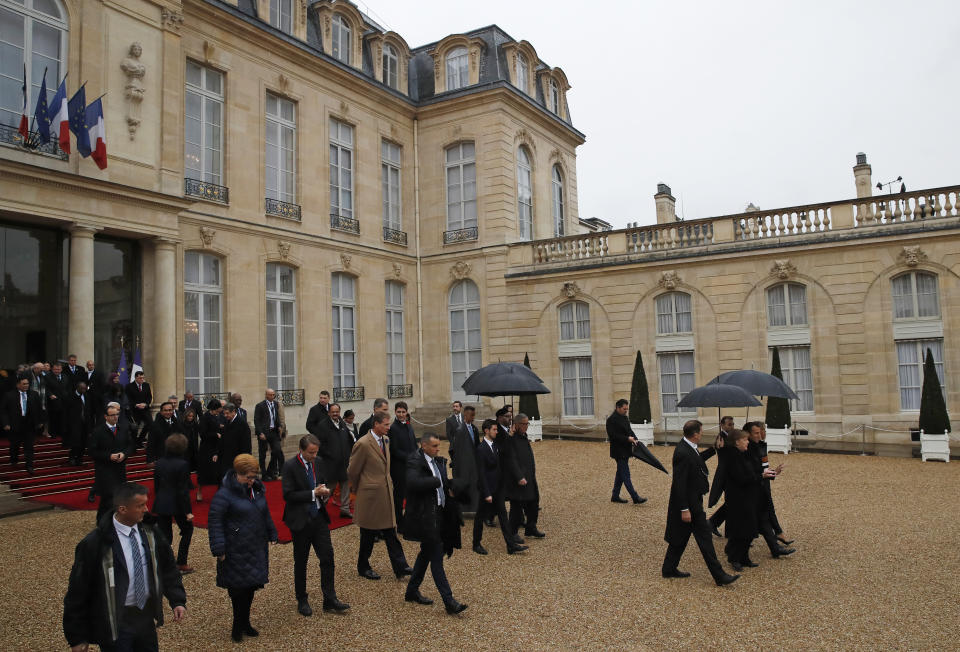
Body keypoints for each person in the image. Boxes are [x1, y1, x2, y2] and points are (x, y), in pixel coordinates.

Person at [63, 482, 187, 652]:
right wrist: (77, 637)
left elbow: (167, 567)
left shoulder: (151, 532)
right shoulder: (96, 543)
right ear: (122, 509)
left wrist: (177, 599)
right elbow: (78, 590)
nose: (146, 509)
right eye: (140, 505)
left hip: (145, 617)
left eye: (146, 503)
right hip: (115, 622)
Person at [661, 419, 740, 586]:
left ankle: (668, 568)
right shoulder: (682, 452)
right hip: (689, 504)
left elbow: (697, 460)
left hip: (692, 501)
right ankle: (719, 576)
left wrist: (714, 449)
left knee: (680, 537)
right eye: (701, 432)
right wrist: (684, 509)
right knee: (705, 539)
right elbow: (679, 483)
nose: (702, 434)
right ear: (696, 434)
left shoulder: (689, 447)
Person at [208, 454, 278, 643]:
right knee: (237, 590)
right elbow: (215, 521)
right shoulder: (224, 494)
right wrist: (218, 547)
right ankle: (237, 626)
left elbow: (265, 513)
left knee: (250, 587)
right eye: (248, 477)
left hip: (255, 546)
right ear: (237, 474)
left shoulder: (256, 489)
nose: (252, 480)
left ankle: (245, 623)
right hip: (235, 548)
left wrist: (272, 532)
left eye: (254, 476)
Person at [281, 435, 350, 617]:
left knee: (328, 557)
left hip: (319, 517)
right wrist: (313, 493)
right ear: (301, 450)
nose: (313, 456)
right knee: (301, 561)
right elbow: (288, 495)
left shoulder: (318, 462)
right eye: (310, 453)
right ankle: (302, 599)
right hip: (300, 520)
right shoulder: (290, 466)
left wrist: (324, 492)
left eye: (315, 452)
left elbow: (322, 481)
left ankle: (330, 598)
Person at [402, 433, 468, 614]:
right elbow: (412, 482)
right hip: (425, 517)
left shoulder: (437, 461)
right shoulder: (414, 461)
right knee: (436, 558)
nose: (438, 449)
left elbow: (443, 484)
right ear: (424, 446)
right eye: (434, 446)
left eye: (439, 446)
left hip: (438, 514)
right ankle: (449, 601)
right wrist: (436, 481)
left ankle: (412, 591)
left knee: (426, 554)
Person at [347, 411, 412, 581]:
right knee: (368, 534)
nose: (388, 427)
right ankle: (363, 566)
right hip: (370, 496)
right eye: (385, 424)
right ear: (376, 424)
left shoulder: (386, 440)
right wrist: (359, 489)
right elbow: (353, 470)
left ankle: (400, 566)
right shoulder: (363, 444)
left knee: (391, 531)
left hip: (385, 493)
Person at [473, 419, 527, 555]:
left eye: (497, 429)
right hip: (487, 490)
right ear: (486, 430)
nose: (497, 432)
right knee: (480, 517)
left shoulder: (495, 445)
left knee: (503, 517)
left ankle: (511, 545)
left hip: (498, 489)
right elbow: (481, 473)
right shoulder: (481, 449)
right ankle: (476, 544)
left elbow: (505, 451)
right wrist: (486, 493)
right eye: (494, 430)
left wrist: (510, 435)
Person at [744, 422, 795, 559]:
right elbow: (749, 472)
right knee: (750, 523)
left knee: (764, 518)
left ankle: (775, 547)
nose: (760, 434)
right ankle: (732, 551)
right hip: (752, 489)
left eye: (761, 431)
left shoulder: (758, 446)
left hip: (760, 485)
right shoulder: (747, 449)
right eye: (757, 432)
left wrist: (773, 473)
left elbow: (762, 468)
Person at [153, 434, 195, 574]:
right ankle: (181, 563)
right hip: (177, 504)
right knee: (187, 530)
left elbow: (157, 485)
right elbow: (182, 490)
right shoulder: (182, 465)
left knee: (165, 535)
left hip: (162, 502)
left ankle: (164, 563)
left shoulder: (159, 463)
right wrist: (188, 511)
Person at [89, 404, 137, 523]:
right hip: (105, 469)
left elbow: (130, 446)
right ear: (106, 417)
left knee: (118, 496)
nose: (115, 417)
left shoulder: (123, 429)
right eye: (112, 415)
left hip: (119, 469)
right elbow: (92, 451)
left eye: (117, 414)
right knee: (108, 496)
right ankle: (102, 521)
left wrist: (124, 454)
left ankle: (113, 520)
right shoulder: (98, 431)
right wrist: (108, 456)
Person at [504, 413, 545, 539]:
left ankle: (531, 527)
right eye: (524, 424)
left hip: (530, 476)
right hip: (519, 479)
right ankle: (512, 532)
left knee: (533, 502)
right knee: (517, 507)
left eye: (527, 423)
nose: (527, 426)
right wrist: (519, 476)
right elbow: (511, 459)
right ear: (516, 425)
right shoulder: (511, 439)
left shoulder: (523, 436)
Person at [606, 399, 647, 504]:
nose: (626, 411)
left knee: (620, 473)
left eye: (627, 409)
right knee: (625, 474)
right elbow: (613, 436)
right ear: (618, 408)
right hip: (618, 451)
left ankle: (615, 496)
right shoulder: (611, 420)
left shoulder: (624, 417)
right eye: (624, 409)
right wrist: (627, 439)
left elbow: (629, 431)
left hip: (626, 449)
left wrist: (635, 439)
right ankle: (635, 497)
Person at [1, 375, 43, 474]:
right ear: (18, 384)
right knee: (15, 445)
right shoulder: (9, 395)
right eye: (24, 384)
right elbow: (3, 411)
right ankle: (14, 460)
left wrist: (40, 421)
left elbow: (39, 409)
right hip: (15, 424)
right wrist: (6, 423)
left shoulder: (34, 394)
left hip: (29, 424)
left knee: (29, 446)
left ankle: (29, 465)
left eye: (27, 384)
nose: (26, 386)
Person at [319, 403, 354, 518]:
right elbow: (320, 445)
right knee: (328, 489)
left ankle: (345, 509)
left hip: (344, 463)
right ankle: (320, 510)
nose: (335, 414)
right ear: (329, 412)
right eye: (333, 412)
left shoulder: (342, 423)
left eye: (337, 412)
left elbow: (348, 440)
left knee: (345, 487)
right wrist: (331, 455)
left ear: (339, 412)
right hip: (331, 464)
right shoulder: (323, 425)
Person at [388, 401, 417, 533]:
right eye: (398, 412)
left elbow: (414, 444)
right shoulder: (393, 428)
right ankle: (399, 524)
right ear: (395, 412)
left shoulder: (409, 426)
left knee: (410, 494)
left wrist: (418, 455)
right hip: (399, 468)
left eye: (403, 412)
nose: (401, 414)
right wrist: (410, 458)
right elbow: (394, 450)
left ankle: (408, 520)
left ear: (406, 412)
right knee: (399, 497)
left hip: (410, 467)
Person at [449, 405, 480, 515]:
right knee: (465, 486)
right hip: (464, 465)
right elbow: (455, 450)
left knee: (474, 486)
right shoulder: (459, 431)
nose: (473, 417)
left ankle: (474, 508)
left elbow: (477, 446)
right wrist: (457, 465)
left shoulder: (474, 429)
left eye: (474, 415)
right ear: (465, 415)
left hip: (473, 464)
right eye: (472, 415)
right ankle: (464, 509)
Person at [708, 415, 736, 536]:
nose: (732, 426)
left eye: (732, 424)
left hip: (732, 473)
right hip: (726, 474)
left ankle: (713, 523)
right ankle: (731, 532)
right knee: (733, 502)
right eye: (729, 424)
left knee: (732, 502)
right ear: (722, 425)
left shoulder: (731, 436)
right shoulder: (721, 437)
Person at [196, 399, 225, 502]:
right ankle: (199, 491)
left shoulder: (219, 416)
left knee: (218, 471)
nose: (219, 413)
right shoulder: (205, 418)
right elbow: (203, 433)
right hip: (207, 448)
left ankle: (219, 492)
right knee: (203, 471)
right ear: (213, 409)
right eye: (217, 411)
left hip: (217, 446)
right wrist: (215, 434)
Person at [254, 389, 285, 481]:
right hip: (264, 433)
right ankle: (264, 474)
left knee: (277, 450)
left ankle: (270, 471)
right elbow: (257, 420)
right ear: (266, 395)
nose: (272, 396)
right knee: (262, 454)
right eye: (270, 395)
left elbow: (276, 417)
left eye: (273, 395)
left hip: (274, 432)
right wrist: (260, 433)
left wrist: (279, 426)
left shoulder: (275, 404)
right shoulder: (260, 406)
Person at [219, 403, 252, 477]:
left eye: (227, 413)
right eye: (224, 414)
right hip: (227, 457)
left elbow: (246, 444)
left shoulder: (242, 423)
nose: (225, 415)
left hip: (238, 457)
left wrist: (244, 459)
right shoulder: (227, 422)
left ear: (233, 411)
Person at [125, 371, 153, 447]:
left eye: (143, 378)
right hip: (135, 410)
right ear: (136, 377)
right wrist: (135, 405)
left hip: (145, 409)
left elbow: (149, 397)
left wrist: (146, 404)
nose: (142, 379)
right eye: (140, 378)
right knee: (135, 428)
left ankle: (140, 440)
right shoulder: (129, 386)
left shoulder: (146, 385)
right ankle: (134, 443)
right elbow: (128, 398)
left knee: (150, 424)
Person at [45, 361, 69, 438]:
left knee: (63, 418)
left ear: (61, 369)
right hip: (53, 401)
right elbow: (45, 388)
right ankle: (53, 433)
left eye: (58, 369)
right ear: (52, 369)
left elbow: (68, 387)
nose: (57, 371)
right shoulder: (47, 377)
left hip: (64, 401)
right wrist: (50, 395)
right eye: (55, 369)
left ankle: (61, 432)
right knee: (53, 418)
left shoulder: (65, 376)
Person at [181, 407, 200, 475]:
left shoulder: (195, 424)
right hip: (185, 447)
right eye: (189, 416)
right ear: (186, 416)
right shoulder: (182, 424)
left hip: (193, 446)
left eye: (192, 416)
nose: (190, 418)